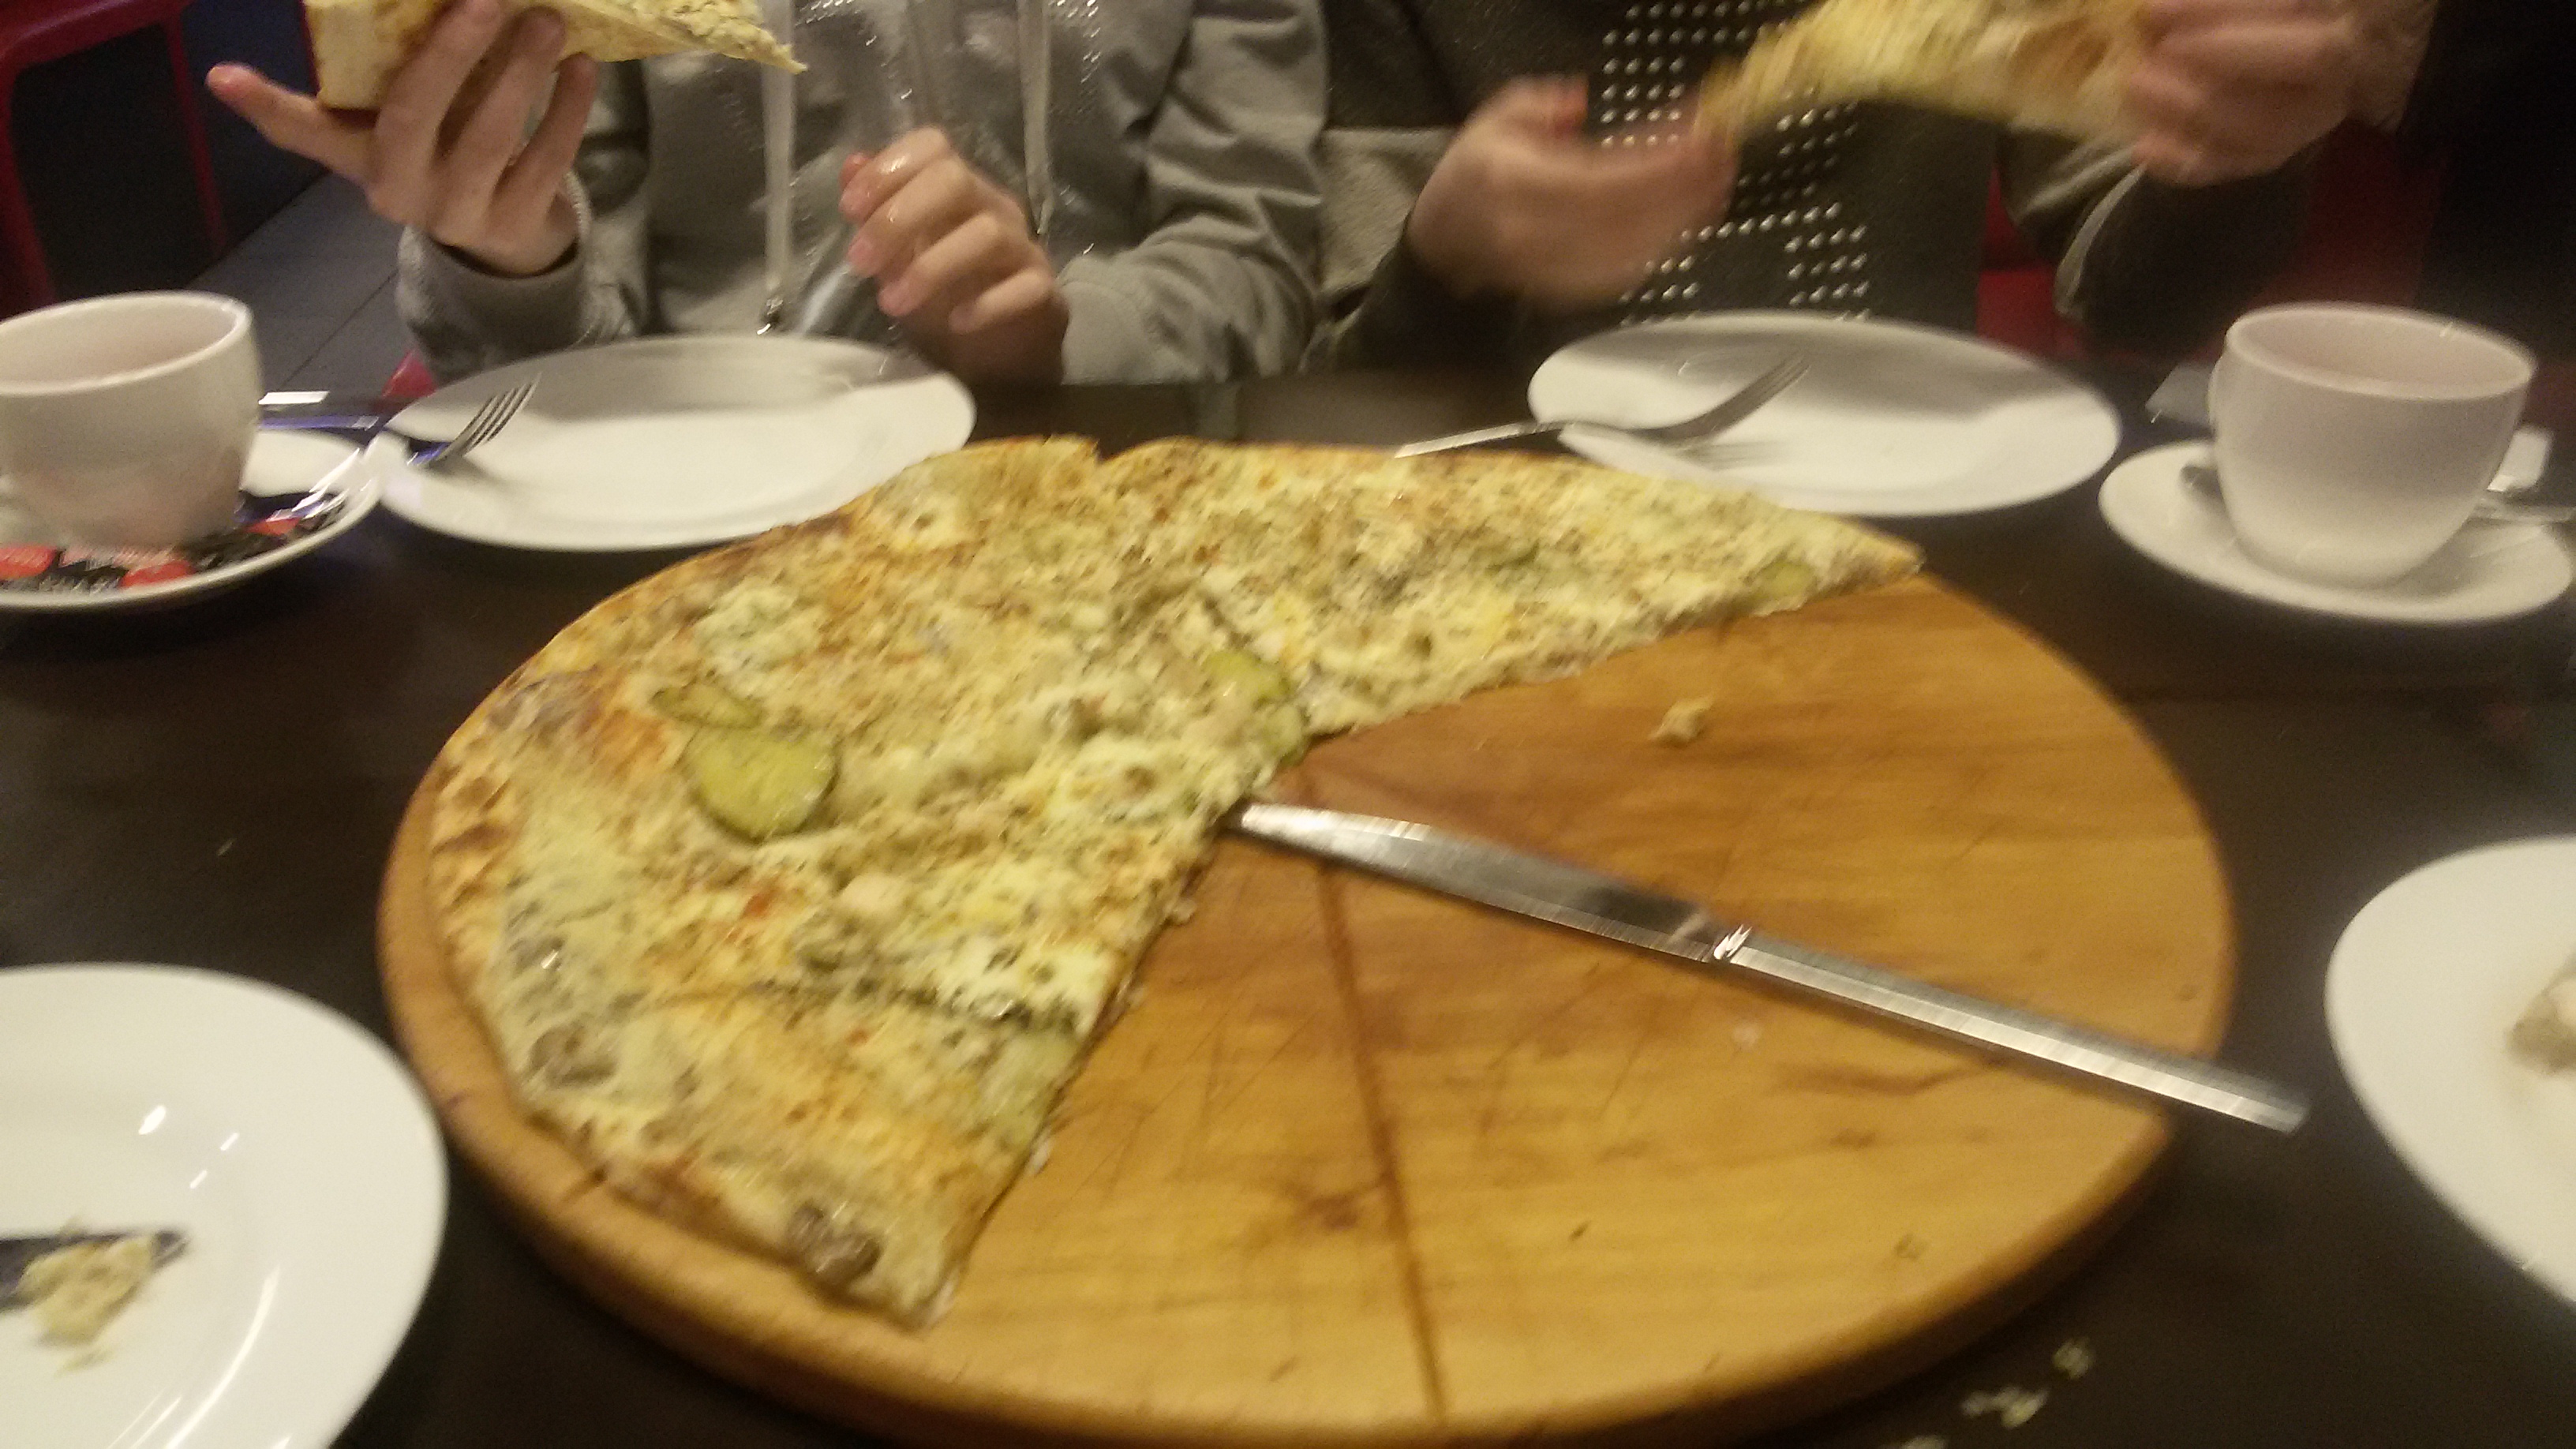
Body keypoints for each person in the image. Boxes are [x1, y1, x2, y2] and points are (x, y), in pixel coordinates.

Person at [208, 0, 1324, 385]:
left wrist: (1056, 341)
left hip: (1100, 481)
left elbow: (1255, 267)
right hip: (682, 515)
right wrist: (512, 263)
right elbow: (555, 364)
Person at [1316, 0, 2362, 370]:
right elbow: (1337, 399)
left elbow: (2135, 300)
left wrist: (2235, 151)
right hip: (1520, 549)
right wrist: (1442, 262)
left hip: (1919, 526)